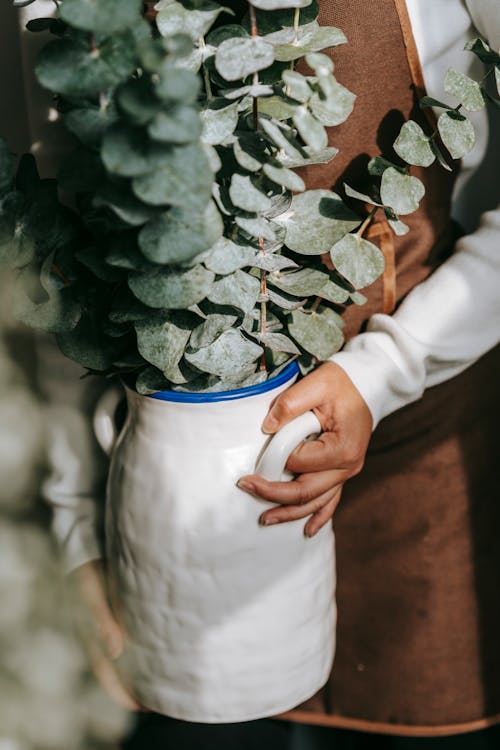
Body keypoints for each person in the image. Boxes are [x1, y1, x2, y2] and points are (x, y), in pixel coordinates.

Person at [5, 0, 499, 748]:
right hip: (167, 505)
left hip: (423, 468)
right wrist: (78, 527)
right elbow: (57, 267)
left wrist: (387, 369)